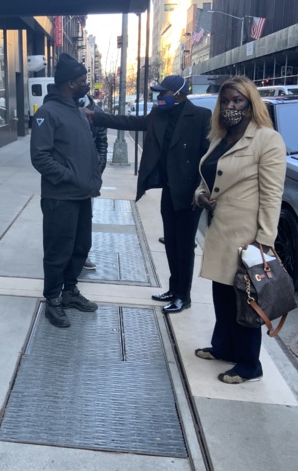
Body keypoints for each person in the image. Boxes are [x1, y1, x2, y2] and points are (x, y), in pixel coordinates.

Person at [84, 75, 211, 313]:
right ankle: (174, 289)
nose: (159, 97)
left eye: (164, 93)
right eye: (159, 93)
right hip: (170, 190)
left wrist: (200, 190)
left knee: (184, 246)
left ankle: (184, 295)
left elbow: (208, 158)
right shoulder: (158, 115)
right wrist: (96, 116)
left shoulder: (201, 117)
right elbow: (130, 121)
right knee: (171, 243)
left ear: (179, 94)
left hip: (189, 194)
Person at [193, 75, 286, 384]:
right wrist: (200, 196)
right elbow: (210, 176)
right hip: (220, 228)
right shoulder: (221, 135)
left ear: (250, 104)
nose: (230, 106)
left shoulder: (267, 139)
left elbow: (272, 194)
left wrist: (264, 240)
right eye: (226, 101)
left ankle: (249, 363)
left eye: (238, 101)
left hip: (246, 235)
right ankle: (223, 347)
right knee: (221, 292)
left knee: (246, 299)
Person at [30, 53, 102, 328]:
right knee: (58, 250)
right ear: (71, 83)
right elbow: (40, 157)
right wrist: (70, 177)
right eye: (83, 80)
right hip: (60, 197)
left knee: (80, 247)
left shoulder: (76, 109)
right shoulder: (47, 113)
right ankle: (53, 300)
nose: (87, 84)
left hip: (81, 195)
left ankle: (70, 292)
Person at [78, 93, 109, 270]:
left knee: (85, 215)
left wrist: (99, 169)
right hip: (71, 172)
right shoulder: (67, 108)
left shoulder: (97, 112)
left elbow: (102, 144)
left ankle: (82, 254)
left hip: (90, 172)